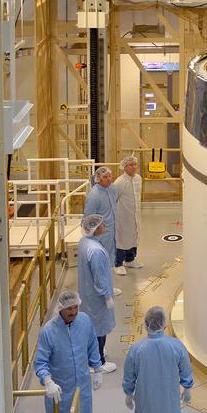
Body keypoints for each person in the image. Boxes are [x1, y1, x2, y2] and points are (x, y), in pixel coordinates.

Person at [33, 288, 102, 413]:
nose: (73, 311)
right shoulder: (49, 332)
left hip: (82, 387)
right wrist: (47, 381)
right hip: (59, 390)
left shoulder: (84, 322)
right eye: (69, 308)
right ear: (61, 309)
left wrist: (96, 368)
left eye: (76, 307)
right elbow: (41, 362)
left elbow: (91, 346)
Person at [77, 213, 118, 372]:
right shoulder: (96, 251)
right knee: (99, 327)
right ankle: (98, 362)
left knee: (92, 327)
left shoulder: (84, 242)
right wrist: (107, 296)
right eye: (101, 224)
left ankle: (94, 353)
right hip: (97, 297)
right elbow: (100, 278)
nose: (104, 225)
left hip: (87, 294)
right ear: (95, 228)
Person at [84, 166, 118, 279]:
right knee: (101, 261)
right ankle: (104, 289)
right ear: (98, 179)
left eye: (110, 176)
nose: (109, 179)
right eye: (105, 177)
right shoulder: (94, 195)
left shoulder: (112, 188)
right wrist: (93, 236)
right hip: (100, 235)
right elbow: (89, 218)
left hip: (111, 231)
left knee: (109, 258)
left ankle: (107, 284)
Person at [114, 155, 143, 276]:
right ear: (124, 167)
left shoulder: (138, 179)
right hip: (122, 216)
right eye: (130, 165)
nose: (133, 167)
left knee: (133, 236)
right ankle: (118, 264)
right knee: (121, 239)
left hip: (135, 215)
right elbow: (113, 199)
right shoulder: (119, 182)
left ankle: (130, 260)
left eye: (135, 164)